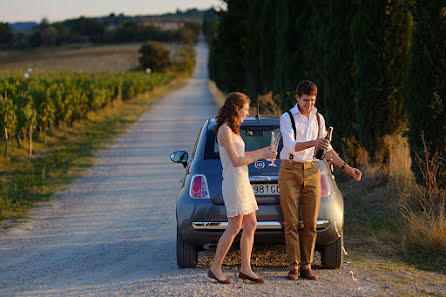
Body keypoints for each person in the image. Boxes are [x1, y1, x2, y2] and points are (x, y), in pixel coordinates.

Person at [279, 80, 362, 281]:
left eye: (313, 100)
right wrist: (314, 142)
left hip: (312, 169)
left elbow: (328, 149)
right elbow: (290, 146)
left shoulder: (318, 118)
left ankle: (307, 266)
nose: (309, 104)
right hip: (289, 170)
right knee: (290, 222)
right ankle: (293, 267)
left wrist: (347, 168)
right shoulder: (287, 118)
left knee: (311, 223)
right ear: (297, 97)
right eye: (306, 100)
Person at [207, 92, 277, 285]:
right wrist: (261, 156)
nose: (247, 113)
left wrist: (264, 151)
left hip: (242, 181)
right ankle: (215, 268)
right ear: (236, 109)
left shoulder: (233, 129)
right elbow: (237, 161)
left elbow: (242, 153)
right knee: (235, 226)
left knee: (251, 223)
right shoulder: (224, 131)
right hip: (233, 181)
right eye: (245, 110)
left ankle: (245, 269)